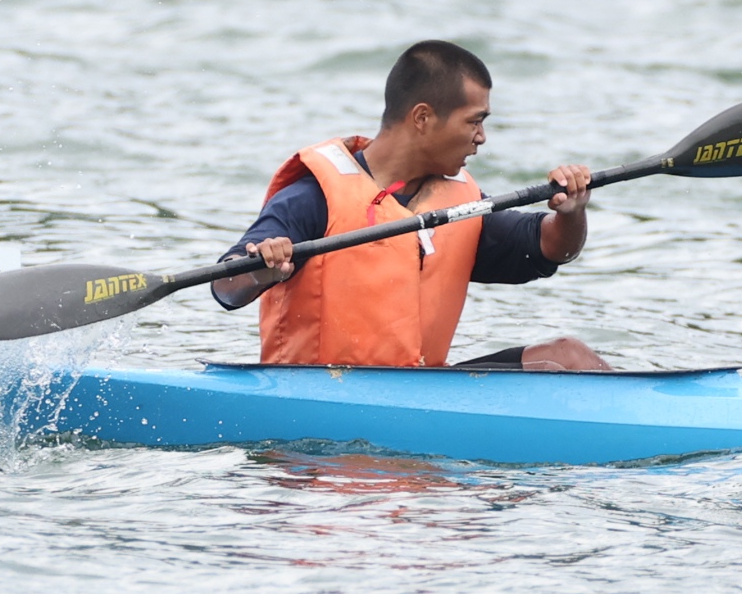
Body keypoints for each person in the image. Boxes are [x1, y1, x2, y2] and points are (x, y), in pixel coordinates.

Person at [212, 40, 609, 371]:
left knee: (567, 357)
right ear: (422, 118)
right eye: (474, 121)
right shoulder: (312, 198)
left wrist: (571, 211)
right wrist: (261, 270)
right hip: (318, 397)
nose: (482, 137)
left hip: (418, 393)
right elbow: (226, 288)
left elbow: (552, 247)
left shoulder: (462, 202)